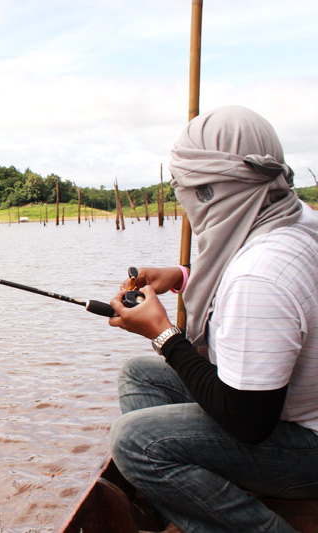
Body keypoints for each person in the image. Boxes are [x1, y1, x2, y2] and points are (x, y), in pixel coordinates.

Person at [108, 105, 318, 532]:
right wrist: (181, 276)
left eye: (183, 186)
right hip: (296, 412)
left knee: (134, 443)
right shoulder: (296, 220)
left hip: (305, 445)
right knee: (140, 375)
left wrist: (163, 334)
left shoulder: (259, 276)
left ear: (207, 192)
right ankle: (196, 501)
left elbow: (249, 422)